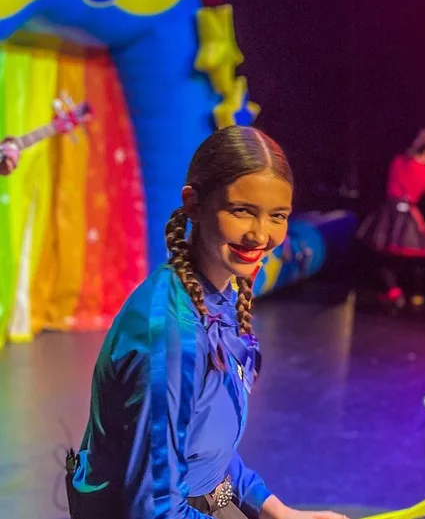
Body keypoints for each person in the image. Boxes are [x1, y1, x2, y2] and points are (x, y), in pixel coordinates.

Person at [65, 125, 348, 519]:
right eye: (242, 210)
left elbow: (203, 453)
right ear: (194, 205)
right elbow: (155, 511)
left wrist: (275, 510)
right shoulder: (172, 337)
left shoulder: (220, 297)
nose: (260, 235)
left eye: (277, 216)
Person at [356, 128, 425, 309]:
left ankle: (394, 291)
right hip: (407, 216)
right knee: (412, 258)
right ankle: (413, 294)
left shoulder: (399, 162)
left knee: (385, 256)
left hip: (390, 214)